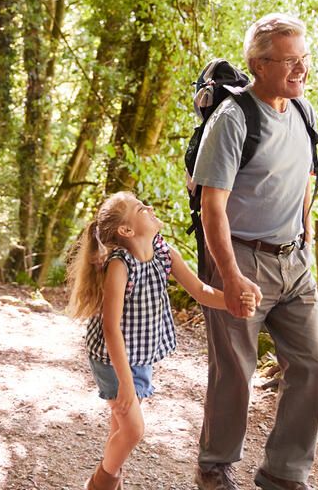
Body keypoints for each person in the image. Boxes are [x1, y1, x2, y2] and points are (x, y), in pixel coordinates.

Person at [192, 14, 318, 490]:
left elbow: (306, 177)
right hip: (242, 257)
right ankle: (215, 465)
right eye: (289, 61)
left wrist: (304, 232)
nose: (301, 70)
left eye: (303, 59)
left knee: (312, 363)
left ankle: (283, 473)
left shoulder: (303, 112)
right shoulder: (233, 121)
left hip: (294, 262)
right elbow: (212, 204)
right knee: (235, 370)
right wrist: (228, 275)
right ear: (258, 64)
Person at [66, 191, 255, 490]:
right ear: (126, 231)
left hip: (140, 356)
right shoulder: (120, 266)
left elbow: (200, 291)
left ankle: (111, 477)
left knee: (122, 427)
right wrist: (126, 382)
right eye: (141, 208)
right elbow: (111, 329)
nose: (150, 207)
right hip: (111, 359)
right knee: (134, 430)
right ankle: (102, 481)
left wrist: (233, 303)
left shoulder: (164, 253)